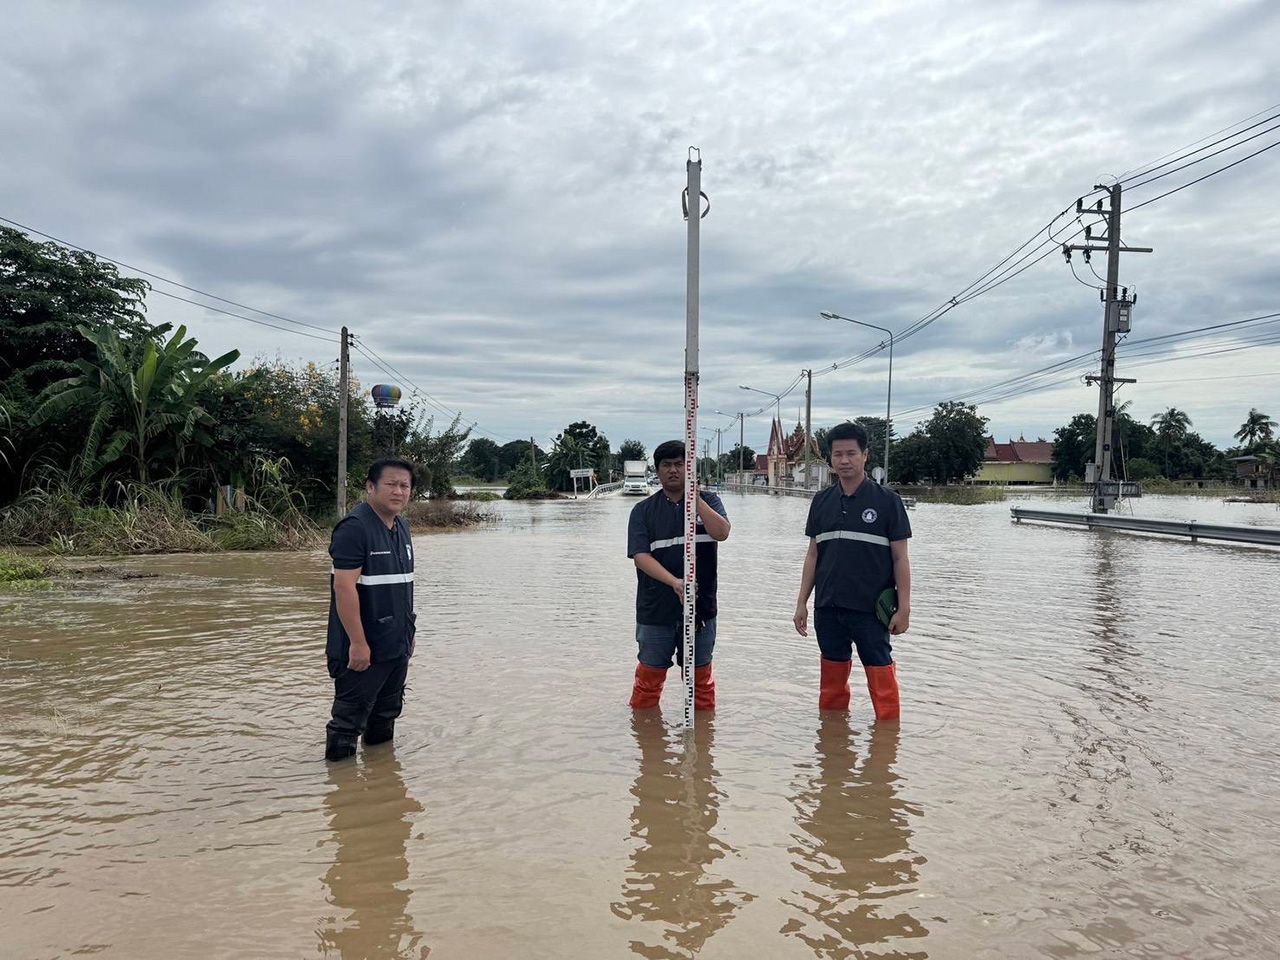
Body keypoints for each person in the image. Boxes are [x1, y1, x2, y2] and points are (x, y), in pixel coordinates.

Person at [793, 422, 912, 720]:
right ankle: (833, 746)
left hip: (871, 609)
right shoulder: (821, 502)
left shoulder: (888, 502)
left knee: (881, 677)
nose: (844, 461)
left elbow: (901, 559)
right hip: (828, 608)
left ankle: (887, 741)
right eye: (837, 454)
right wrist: (801, 603)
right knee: (831, 685)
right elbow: (813, 555)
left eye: (851, 453)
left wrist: (905, 608)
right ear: (830, 459)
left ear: (865, 455)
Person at [325, 457, 418, 761]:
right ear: (370, 487)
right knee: (348, 722)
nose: (398, 491)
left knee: (386, 715)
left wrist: (409, 632)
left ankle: (380, 789)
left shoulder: (400, 526)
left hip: (396, 644)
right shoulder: (354, 528)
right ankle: (341, 790)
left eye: (405, 485)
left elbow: (404, 585)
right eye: (391, 484)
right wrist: (358, 643)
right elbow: (344, 587)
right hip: (363, 647)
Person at [626, 440, 731, 709]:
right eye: (666, 465)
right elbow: (640, 557)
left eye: (680, 464)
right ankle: (647, 740)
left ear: (690, 468)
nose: (674, 470)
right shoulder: (643, 511)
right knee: (648, 681)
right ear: (657, 471)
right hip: (655, 610)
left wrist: (696, 502)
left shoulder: (710, 501)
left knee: (700, 683)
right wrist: (675, 583)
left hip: (701, 611)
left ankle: (704, 742)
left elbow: (722, 533)